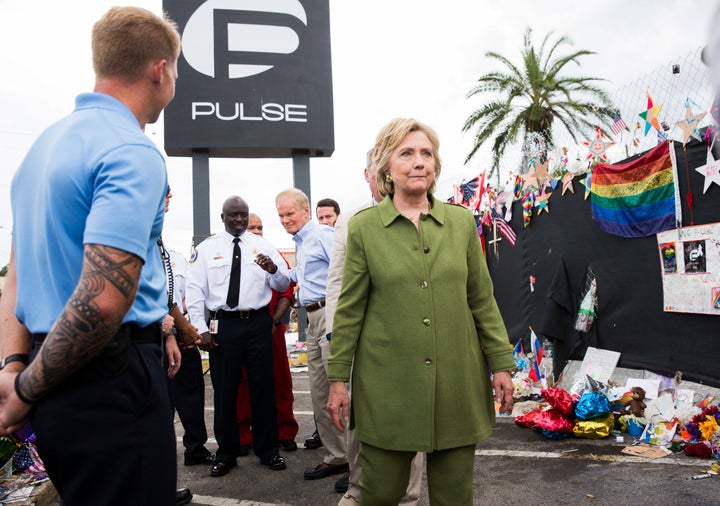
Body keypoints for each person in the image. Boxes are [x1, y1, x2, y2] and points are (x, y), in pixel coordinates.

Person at [0, 7, 182, 505]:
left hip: (47, 366)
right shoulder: (131, 149)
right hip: (108, 377)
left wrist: (15, 368)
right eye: (177, 72)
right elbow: (102, 302)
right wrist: (24, 390)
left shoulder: (41, 149)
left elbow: (15, 280)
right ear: (159, 70)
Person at [327, 118, 515, 505]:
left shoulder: (461, 222)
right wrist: (338, 380)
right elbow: (349, 311)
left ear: (436, 165)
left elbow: (482, 298)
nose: (419, 163)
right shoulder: (364, 228)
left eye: (426, 154)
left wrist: (501, 365)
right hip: (386, 389)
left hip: (456, 386)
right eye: (407, 153)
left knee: (454, 497)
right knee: (379, 495)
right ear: (386, 167)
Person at [324, 150, 424, 504]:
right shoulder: (353, 220)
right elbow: (337, 284)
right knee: (362, 423)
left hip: (414, 341)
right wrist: (338, 340)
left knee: (414, 419)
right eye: (378, 170)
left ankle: (409, 497)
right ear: (370, 174)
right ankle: (360, 488)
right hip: (366, 343)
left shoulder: (428, 215)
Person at [185, 196, 290, 477]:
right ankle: (226, 453)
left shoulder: (263, 245)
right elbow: (194, 291)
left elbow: (283, 282)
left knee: (263, 388)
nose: (240, 220)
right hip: (224, 325)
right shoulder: (206, 249)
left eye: (243, 215)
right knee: (226, 390)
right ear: (223, 217)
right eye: (234, 215)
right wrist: (201, 328)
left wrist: (273, 270)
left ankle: (268, 450)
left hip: (258, 324)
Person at [275, 189, 349, 485]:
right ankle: (336, 457)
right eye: (280, 215)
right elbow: (306, 276)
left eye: (289, 213)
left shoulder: (322, 235)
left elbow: (345, 273)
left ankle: (357, 465)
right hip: (311, 318)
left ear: (305, 211)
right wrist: (281, 273)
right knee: (320, 393)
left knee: (341, 391)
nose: (284, 220)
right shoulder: (303, 242)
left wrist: (339, 319)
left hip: (331, 315)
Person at [160, 187, 215, 470]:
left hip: (182, 336)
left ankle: (196, 447)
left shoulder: (177, 258)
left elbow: (185, 296)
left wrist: (191, 329)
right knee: (162, 404)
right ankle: (162, 464)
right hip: (160, 337)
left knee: (192, 395)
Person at [236, 213, 299, 453]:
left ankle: (284, 431)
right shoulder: (234, 256)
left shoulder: (273, 253)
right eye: (252, 227)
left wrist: (274, 321)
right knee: (242, 385)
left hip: (271, 330)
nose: (257, 231)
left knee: (280, 380)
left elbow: (287, 289)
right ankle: (243, 436)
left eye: (260, 227)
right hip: (243, 330)